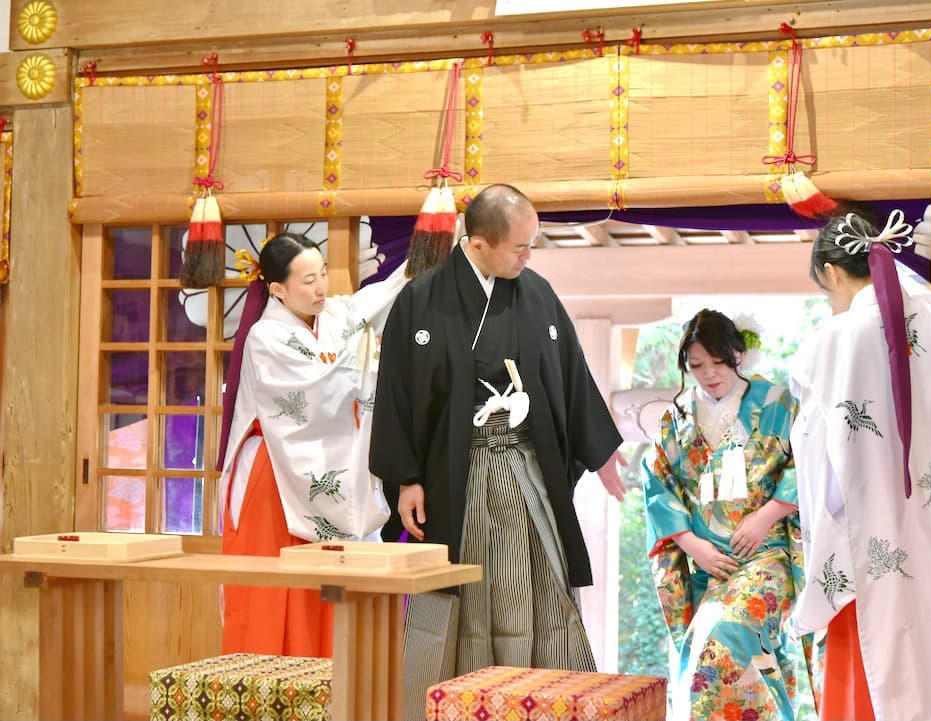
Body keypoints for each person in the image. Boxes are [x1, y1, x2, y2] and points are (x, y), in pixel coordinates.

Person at [370, 184, 627, 713]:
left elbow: (572, 377)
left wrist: (599, 452)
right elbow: (396, 393)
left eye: (532, 246)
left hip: (523, 468)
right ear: (479, 243)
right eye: (520, 248)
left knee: (542, 589)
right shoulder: (420, 302)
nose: (529, 258)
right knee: (458, 598)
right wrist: (407, 479)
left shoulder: (537, 295)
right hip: (453, 478)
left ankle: (546, 703)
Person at [788, 209, 931, 720]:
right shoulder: (925, 311)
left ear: (833, 274)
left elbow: (818, 450)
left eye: (827, 290)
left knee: (877, 658)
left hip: (872, 527)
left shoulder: (836, 339)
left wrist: (821, 528)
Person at [218, 231, 408, 657]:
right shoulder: (264, 338)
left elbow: (386, 292)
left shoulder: (336, 316)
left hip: (319, 467)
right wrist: (371, 362)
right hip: (271, 478)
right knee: (275, 598)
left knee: (325, 594)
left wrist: (438, 244)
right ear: (277, 289)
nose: (321, 287)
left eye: (322, 274)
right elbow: (312, 391)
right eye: (307, 281)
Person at [642, 309, 816, 721]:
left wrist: (769, 513)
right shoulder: (676, 419)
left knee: (728, 631)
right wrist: (691, 544)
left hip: (766, 556)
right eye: (697, 366)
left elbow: (808, 463)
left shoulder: (777, 402)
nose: (709, 374)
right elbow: (658, 485)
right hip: (710, 565)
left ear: (738, 354)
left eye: (718, 362)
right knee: (707, 643)